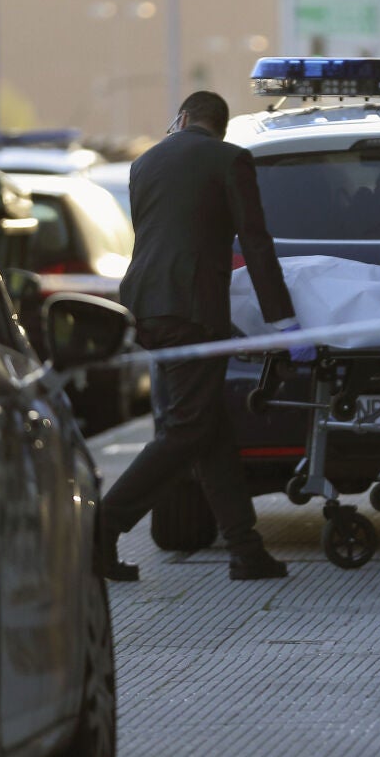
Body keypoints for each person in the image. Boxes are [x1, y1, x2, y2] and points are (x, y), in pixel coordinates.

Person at [95, 90, 305, 583]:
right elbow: (254, 242)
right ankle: (101, 527)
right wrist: (283, 320)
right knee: (188, 429)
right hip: (191, 310)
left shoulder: (145, 161)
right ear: (220, 126)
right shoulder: (230, 159)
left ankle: (244, 547)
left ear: (183, 118)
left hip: (146, 305)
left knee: (209, 428)